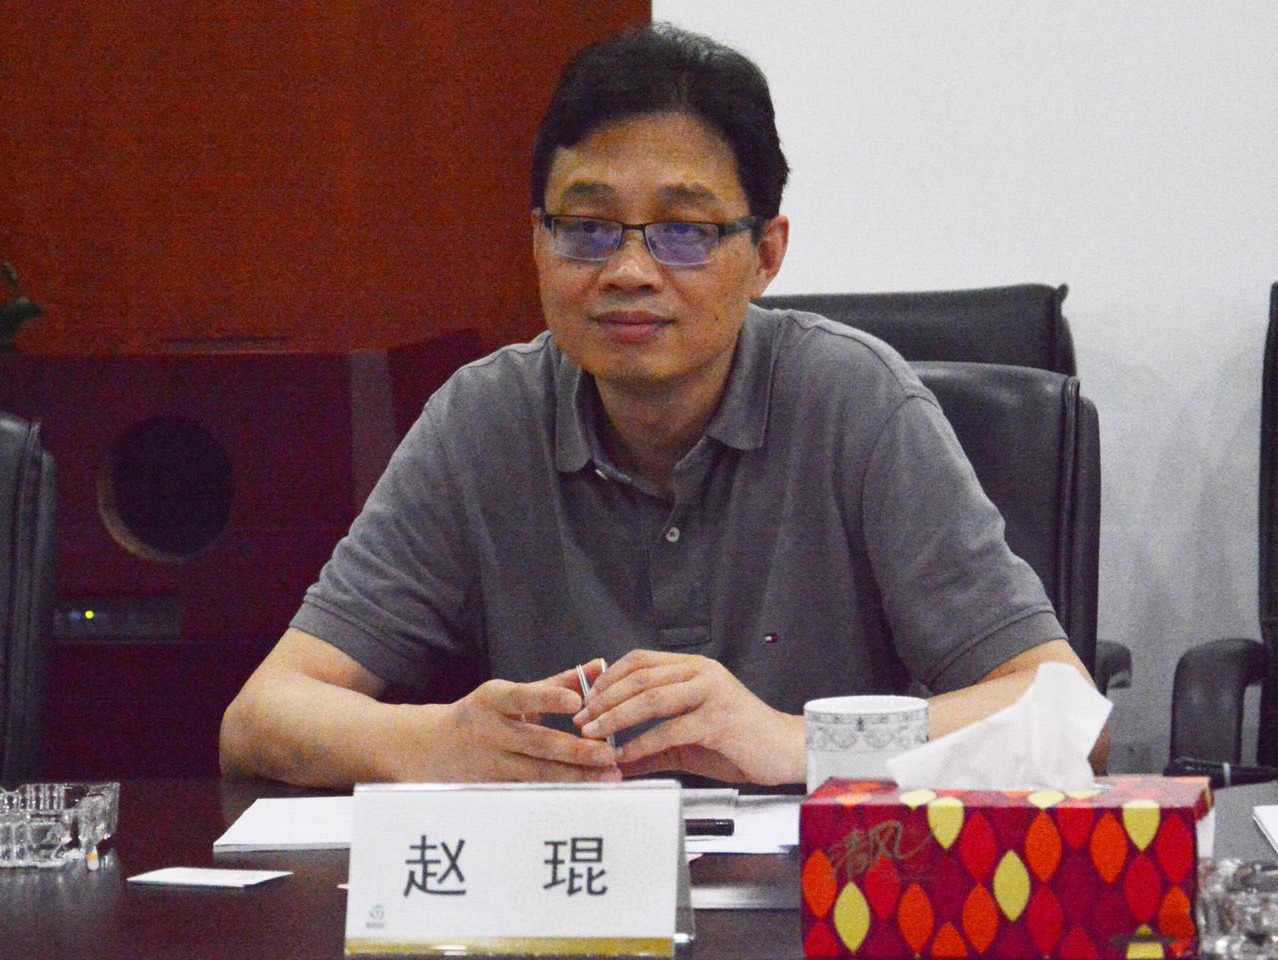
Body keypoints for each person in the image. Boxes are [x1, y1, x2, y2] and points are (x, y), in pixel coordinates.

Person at [220, 23, 1107, 789]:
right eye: (587, 228)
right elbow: (262, 717)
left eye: (685, 231)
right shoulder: (483, 420)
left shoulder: (857, 403)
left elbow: (1068, 714)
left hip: (813, 900)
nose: (630, 271)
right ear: (538, 243)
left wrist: (794, 742)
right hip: (567, 898)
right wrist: (442, 742)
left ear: (766, 255)